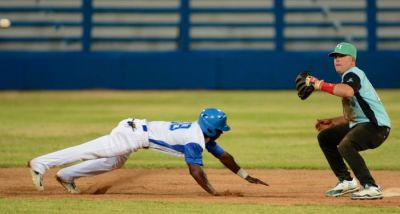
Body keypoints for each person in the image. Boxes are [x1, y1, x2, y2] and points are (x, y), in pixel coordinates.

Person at [28, 108, 268, 195]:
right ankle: (41, 163)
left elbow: (224, 156)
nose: (222, 133)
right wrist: (213, 193)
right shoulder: (195, 139)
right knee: (91, 150)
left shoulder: (201, 134)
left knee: (112, 163)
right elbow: (195, 171)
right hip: (133, 135)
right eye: (221, 129)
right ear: (213, 129)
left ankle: (67, 175)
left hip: (135, 130)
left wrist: (244, 176)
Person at [306, 42, 391, 200]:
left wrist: (319, 84)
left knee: (346, 145)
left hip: (377, 127)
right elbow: (354, 115)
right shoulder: (348, 77)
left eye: (342, 56)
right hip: (364, 124)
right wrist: (332, 122)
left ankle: (371, 186)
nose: (337, 59)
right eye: (335, 57)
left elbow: (347, 91)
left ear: (352, 60)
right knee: (326, 137)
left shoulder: (354, 73)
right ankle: (346, 181)